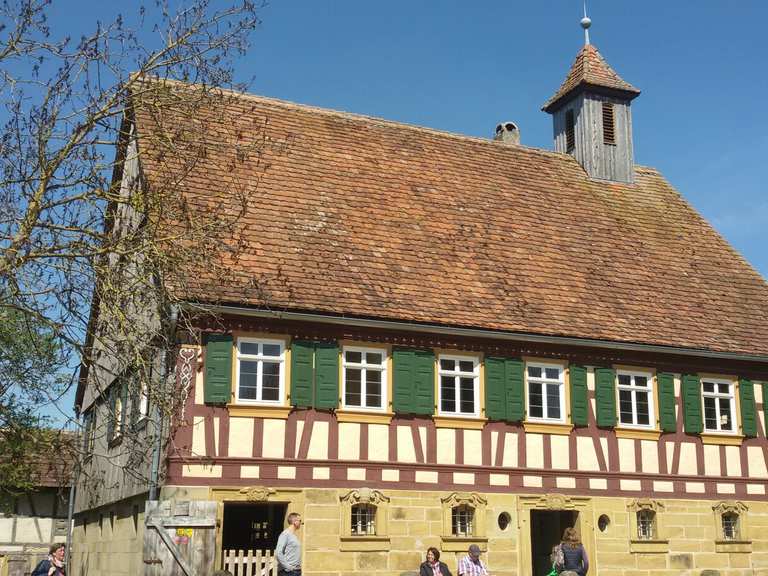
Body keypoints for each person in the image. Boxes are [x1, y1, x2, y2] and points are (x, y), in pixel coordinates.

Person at [276, 512, 302, 576]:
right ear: (294, 522)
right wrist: (288, 567)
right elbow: (278, 552)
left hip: (296, 571)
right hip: (288, 572)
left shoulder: (293, 535)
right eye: (300, 520)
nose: (301, 523)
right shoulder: (285, 534)